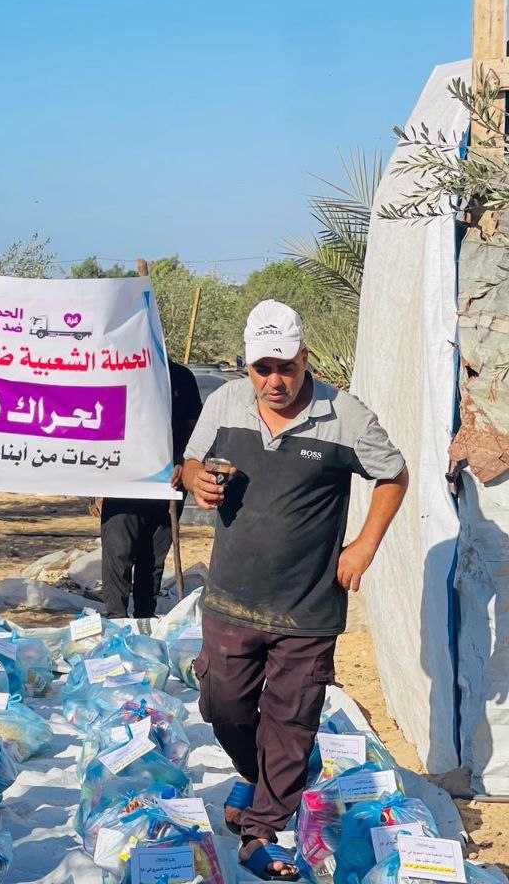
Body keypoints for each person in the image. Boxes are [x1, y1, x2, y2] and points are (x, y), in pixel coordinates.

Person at [183, 299, 408, 880]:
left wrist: (364, 546)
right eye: (262, 369)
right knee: (222, 705)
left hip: (307, 606)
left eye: (286, 366)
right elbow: (190, 461)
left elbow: (393, 474)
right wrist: (195, 479)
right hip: (231, 597)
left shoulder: (344, 415)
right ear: (247, 366)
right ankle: (257, 776)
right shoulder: (225, 403)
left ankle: (261, 831)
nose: (275, 381)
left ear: (305, 358)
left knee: (291, 720)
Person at [100, 360, 203, 619]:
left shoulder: (181, 377)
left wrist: (184, 463)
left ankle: (145, 619)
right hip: (124, 482)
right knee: (118, 553)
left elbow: (196, 429)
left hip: (168, 483)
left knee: (154, 558)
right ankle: (116, 620)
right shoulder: (117, 373)